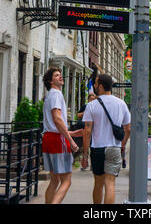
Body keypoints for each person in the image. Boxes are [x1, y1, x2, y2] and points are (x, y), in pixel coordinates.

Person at [81, 73, 131, 204]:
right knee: (110, 183)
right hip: (114, 147)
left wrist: (85, 155)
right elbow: (128, 129)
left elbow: (87, 131)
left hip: (97, 148)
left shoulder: (91, 105)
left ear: (101, 86)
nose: (95, 86)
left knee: (98, 183)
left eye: (96, 83)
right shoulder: (121, 104)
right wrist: (122, 144)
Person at [42, 67, 84, 204]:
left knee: (54, 180)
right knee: (67, 180)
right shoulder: (56, 94)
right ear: (50, 81)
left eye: (60, 75)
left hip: (49, 138)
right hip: (57, 141)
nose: (60, 77)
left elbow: (53, 125)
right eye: (56, 75)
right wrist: (70, 139)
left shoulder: (49, 95)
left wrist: (71, 132)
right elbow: (57, 118)